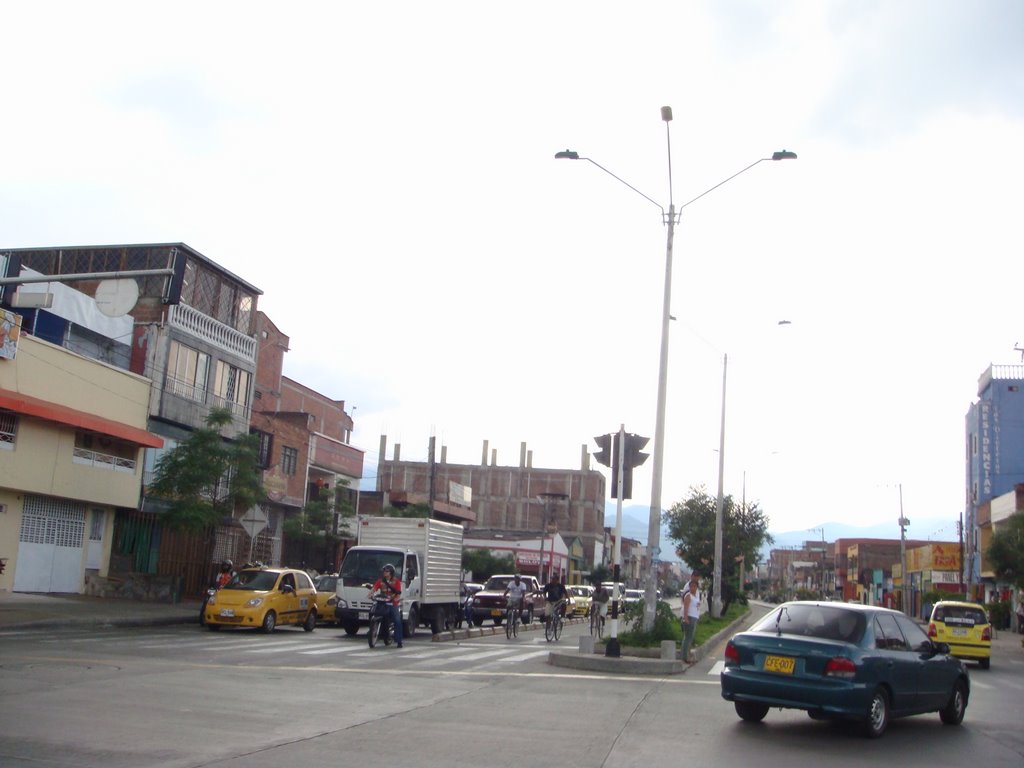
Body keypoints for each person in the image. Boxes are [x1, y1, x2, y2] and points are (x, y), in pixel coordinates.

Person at [369, 564, 404, 648]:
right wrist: (370, 595)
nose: (385, 573)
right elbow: (374, 588)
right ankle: (372, 629)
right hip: (382, 603)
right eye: (384, 571)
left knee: (397, 620)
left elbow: (398, 593)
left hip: (392, 604)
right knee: (371, 613)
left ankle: (399, 641)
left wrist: (395, 599)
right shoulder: (380, 581)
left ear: (391, 573)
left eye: (387, 571)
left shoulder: (397, 581)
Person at [681, 573, 703, 664]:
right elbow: (686, 608)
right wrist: (686, 618)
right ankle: (685, 657)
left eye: (694, 586)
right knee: (687, 637)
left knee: (690, 638)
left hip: (694, 617)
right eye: (691, 586)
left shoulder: (695, 596)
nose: (693, 588)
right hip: (689, 617)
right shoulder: (688, 596)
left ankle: (688, 655)